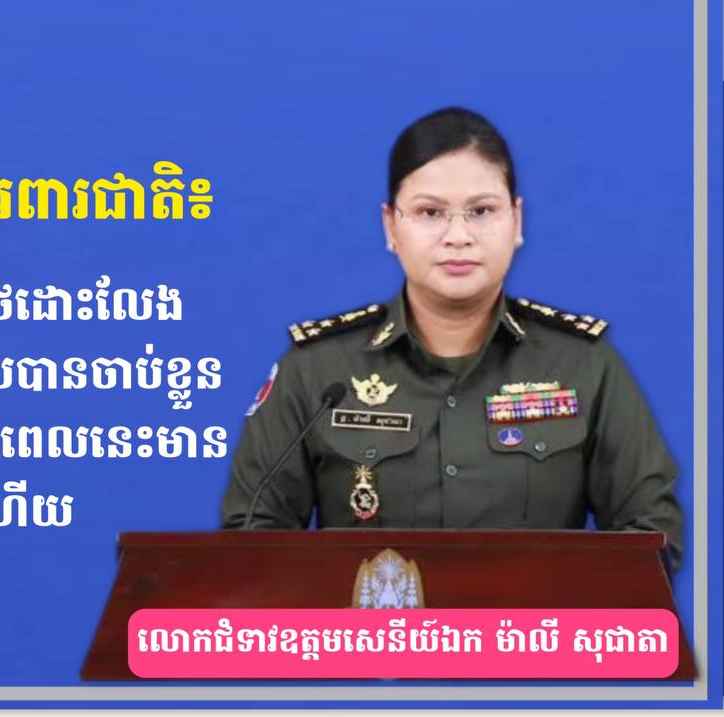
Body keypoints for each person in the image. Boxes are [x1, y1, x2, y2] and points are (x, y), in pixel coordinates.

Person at [219, 107, 684, 571]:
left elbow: (651, 536)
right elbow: (251, 540)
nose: (458, 236)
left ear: (517, 221)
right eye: (430, 212)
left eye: (481, 211)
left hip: (534, 621)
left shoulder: (583, 364)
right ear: (391, 226)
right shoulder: (319, 369)